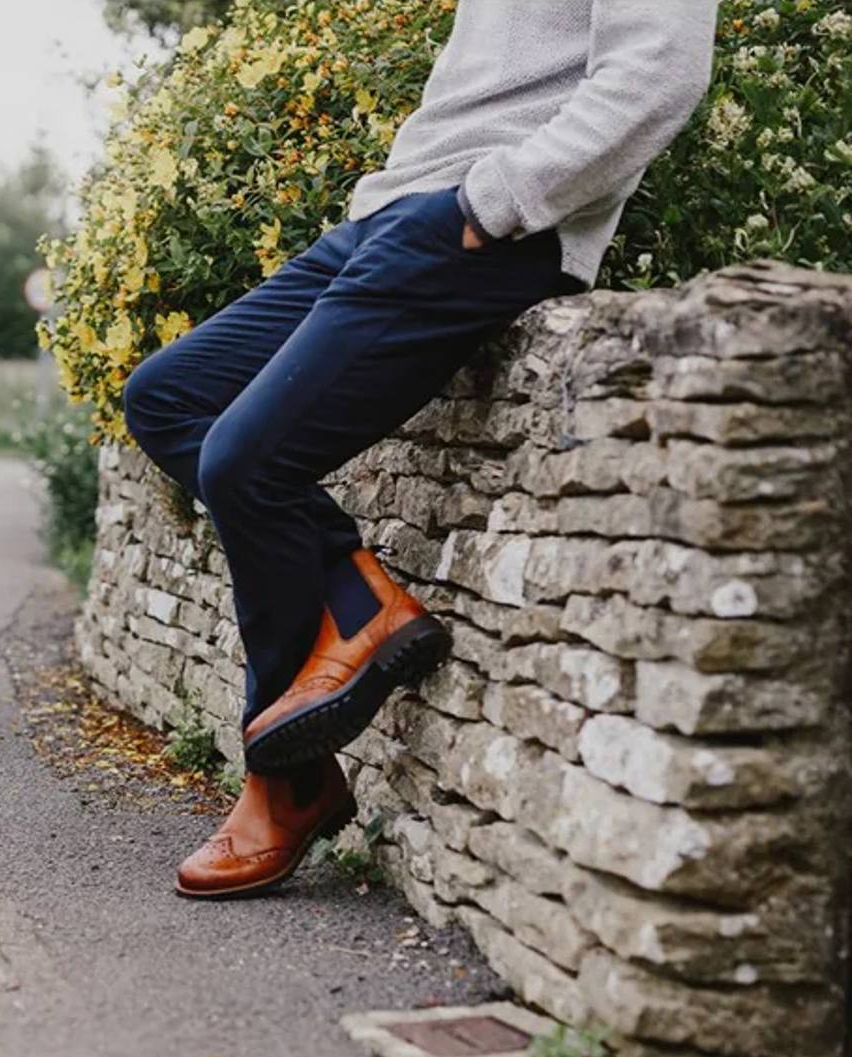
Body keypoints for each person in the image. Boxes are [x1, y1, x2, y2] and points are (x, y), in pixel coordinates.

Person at [123, 0, 720, 899]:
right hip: (394, 218)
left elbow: (658, 76)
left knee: (245, 463)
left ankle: (287, 788)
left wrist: (494, 203)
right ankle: (362, 600)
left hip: (483, 228)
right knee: (167, 396)